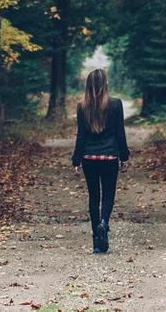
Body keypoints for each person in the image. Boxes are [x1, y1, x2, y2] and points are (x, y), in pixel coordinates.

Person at [70, 67, 130, 253]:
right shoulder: (115, 104)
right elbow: (120, 133)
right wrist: (124, 156)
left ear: (88, 85)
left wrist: (76, 159)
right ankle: (104, 222)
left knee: (93, 197)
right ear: (104, 84)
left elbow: (81, 136)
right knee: (108, 195)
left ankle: (97, 241)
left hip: (89, 157)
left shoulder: (82, 106)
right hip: (110, 156)